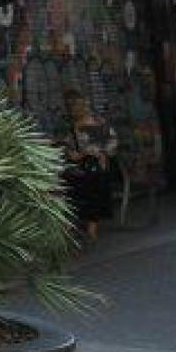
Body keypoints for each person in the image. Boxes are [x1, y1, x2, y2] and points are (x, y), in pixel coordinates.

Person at [62, 91, 117, 241]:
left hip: (97, 165)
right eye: (75, 107)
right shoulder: (72, 129)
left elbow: (112, 143)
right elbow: (69, 151)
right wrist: (82, 154)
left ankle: (91, 226)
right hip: (81, 165)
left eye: (81, 106)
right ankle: (75, 224)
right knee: (70, 181)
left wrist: (102, 152)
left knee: (95, 179)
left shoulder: (100, 123)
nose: (79, 109)